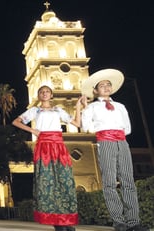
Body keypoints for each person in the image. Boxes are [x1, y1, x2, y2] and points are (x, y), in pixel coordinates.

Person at [79, 69, 148, 231]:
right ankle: (119, 221)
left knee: (128, 181)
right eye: (102, 85)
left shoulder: (120, 106)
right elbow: (86, 127)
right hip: (105, 142)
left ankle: (133, 222)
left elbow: (128, 128)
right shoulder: (92, 107)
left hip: (122, 142)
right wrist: (85, 109)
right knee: (110, 183)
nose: (106, 87)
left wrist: (119, 137)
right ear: (95, 90)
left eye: (108, 84)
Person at [12, 85, 82, 231]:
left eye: (47, 92)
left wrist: (78, 107)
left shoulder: (59, 110)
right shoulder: (35, 111)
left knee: (64, 182)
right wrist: (32, 130)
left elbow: (76, 123)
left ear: (51, 95)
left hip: (59, 146)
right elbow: (16, 121)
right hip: (44, 147)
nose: (44, 93)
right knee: (47, 183)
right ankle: (56, 222)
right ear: (39, 96)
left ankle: (66, 220)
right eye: (41, 92)